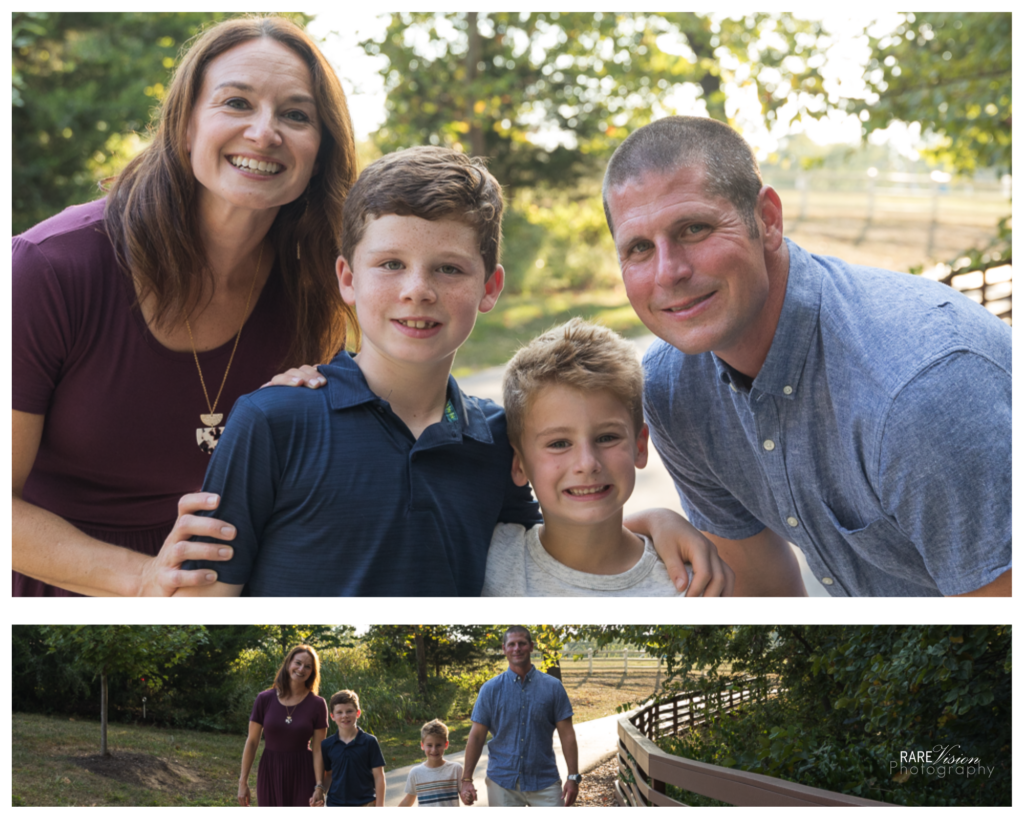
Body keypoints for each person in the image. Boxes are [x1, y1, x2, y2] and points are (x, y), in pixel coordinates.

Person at [179, 146, 731, 597]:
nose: (417, 289)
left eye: (448, 268)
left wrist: (653, 522)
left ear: (490, 287)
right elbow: (204, 600)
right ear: (347, 277)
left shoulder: (496, 439)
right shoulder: (272, 421)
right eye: (391, 264)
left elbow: (545, 550)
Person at [11, 15, 358, 596]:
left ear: (320, 151)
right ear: (185, 125)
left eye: (296, 115)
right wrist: (142, 579)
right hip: (54, 590)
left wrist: (306, 418)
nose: (265, 132)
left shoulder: (317, 289)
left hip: (220, 595)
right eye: (236, 102)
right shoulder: (48, 269)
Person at [602, 115, 1012, 597]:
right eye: (639, 248)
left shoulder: (917, 394)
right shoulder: (673, 392)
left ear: (768, 220)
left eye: (695, 228)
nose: (668, 272)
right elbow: (761, 589)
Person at [482, 317, 701, 596]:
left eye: (607, 438)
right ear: (519, 463)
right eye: (559, 443)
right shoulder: (487, 561)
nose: (587, 463)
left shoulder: (686, 583)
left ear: (640, 446)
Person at [460, 627, 580, 807]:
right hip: (502, 783)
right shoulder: (490, 690)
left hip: (545, 781)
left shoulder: (553, 687)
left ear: (531, 646)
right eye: (512, 644)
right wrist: (466, 779)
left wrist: (573, 777)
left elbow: (567, 735)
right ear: (504, 649)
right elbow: (476, 736)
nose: (517, 648)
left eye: (522, 643)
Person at [240, 644, 328, 807]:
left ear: (312, 672)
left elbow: (318, 749)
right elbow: (252, 742)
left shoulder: (317, 704)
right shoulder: (264, 699)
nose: (301, 669)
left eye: (308, 666)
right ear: (288, 663)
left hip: (303, 771)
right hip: (270, 770)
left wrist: (319, 786)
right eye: (298, 663)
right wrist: (243, 782)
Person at [314, 690, 386, 808]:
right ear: (332, 716)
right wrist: (321, 793)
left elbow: (379, 777)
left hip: (365, 804)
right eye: (339, 712)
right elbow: (329, 774)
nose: (345, 716)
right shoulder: (327, 745)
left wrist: (380, 807)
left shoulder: (369, 741)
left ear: (358, 713)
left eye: (349, 711)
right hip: (335, 805)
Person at [398, 719, 463, 807]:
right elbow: (408, 800)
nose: (434, 750)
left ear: (446, 744)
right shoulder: (415, 773)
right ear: (422, 745)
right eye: (429, 745)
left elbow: (465, 796)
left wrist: (469, 796)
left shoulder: (456, 769)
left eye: (438, 745)